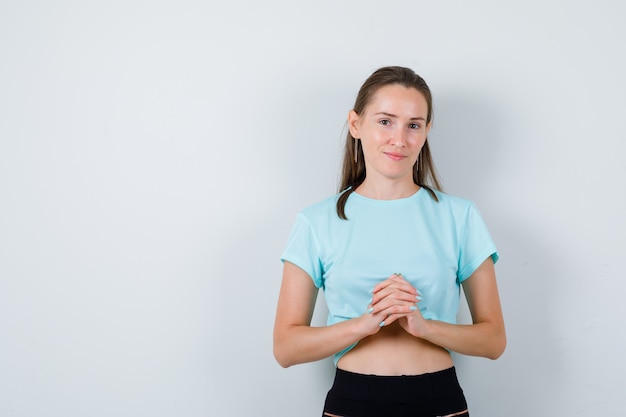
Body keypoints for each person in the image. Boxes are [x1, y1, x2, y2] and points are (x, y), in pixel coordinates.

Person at [273, 66, 505, 417]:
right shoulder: (316, 222)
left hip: (439, 397)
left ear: (426, 132)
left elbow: (493, 341)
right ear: (356, 125)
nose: (399, 139)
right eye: (385, 121)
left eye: (413, 125)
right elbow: (286, 348)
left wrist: (425, 327)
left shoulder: (460, 216)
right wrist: (364, 324)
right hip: (353, 399)